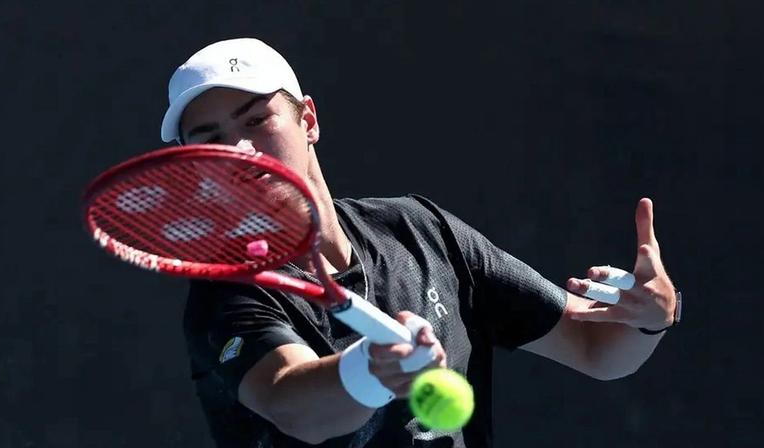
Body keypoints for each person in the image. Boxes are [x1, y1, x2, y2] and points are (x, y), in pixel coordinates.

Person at [160, 38, 681, 447]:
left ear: (309, 120)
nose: (243, 149)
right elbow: (294, 407)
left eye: (256, 119)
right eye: (212, 139)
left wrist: (649, 316)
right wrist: (372, 369)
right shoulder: (227, 293)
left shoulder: (421, 231)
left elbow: (597, 349)